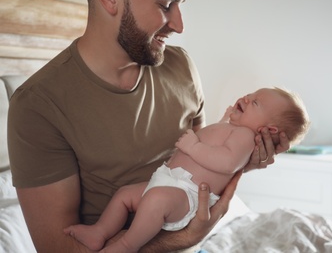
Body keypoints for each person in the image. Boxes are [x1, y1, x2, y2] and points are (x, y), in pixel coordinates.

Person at [7, 0, 290, 252]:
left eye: (181, 5)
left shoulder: (182, 66)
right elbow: (60, 248)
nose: (179, 26)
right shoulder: (39, 105)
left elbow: (201, 165)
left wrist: (245, 162)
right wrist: (186, 237)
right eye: (166, 4)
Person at [64, 87, 310, 253]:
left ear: (270, 130)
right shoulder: (234, 128)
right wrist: (227, 118)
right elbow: (217, 138)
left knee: (156, 201)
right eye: (249, 94)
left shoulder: (245, 138)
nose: (245, 98)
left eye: (255, 102)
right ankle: (99, 231)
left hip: (187, 195)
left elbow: (226, 162)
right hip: (169, 181)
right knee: (125, 194)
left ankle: (126, 245)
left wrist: (192, 147)